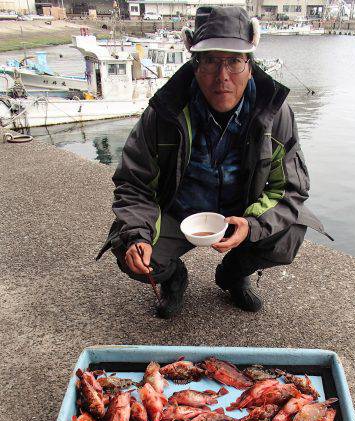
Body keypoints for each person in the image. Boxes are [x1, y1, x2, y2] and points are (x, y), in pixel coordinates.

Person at [97, 6, 330, 318]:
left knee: (289, 233)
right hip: (177, 214)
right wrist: (137, 235)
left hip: (242, 214)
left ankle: (233, 274)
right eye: (210, 61)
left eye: (234, 61)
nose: (223, 77)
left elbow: (290, 189)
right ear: (195, 64)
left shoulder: (276, 115)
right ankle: (174, 277)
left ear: (250, 64)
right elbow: (133, 183)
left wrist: (253, 225)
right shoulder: (163, 112)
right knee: (131, 251)